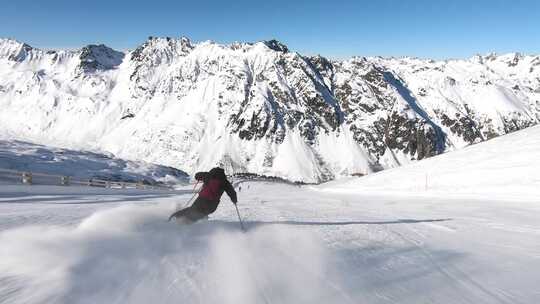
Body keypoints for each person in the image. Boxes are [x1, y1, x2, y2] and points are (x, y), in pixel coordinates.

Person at [169, 167, 237, 223]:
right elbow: (232, 192)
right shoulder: (225, 181)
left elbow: (197, 175)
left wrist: (204, 176)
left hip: (202, 200)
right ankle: (190, 223)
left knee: (191, 211)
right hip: (213, 204)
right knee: (201, 214)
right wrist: (234, 200)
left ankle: (174, 218)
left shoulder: (208, 175)